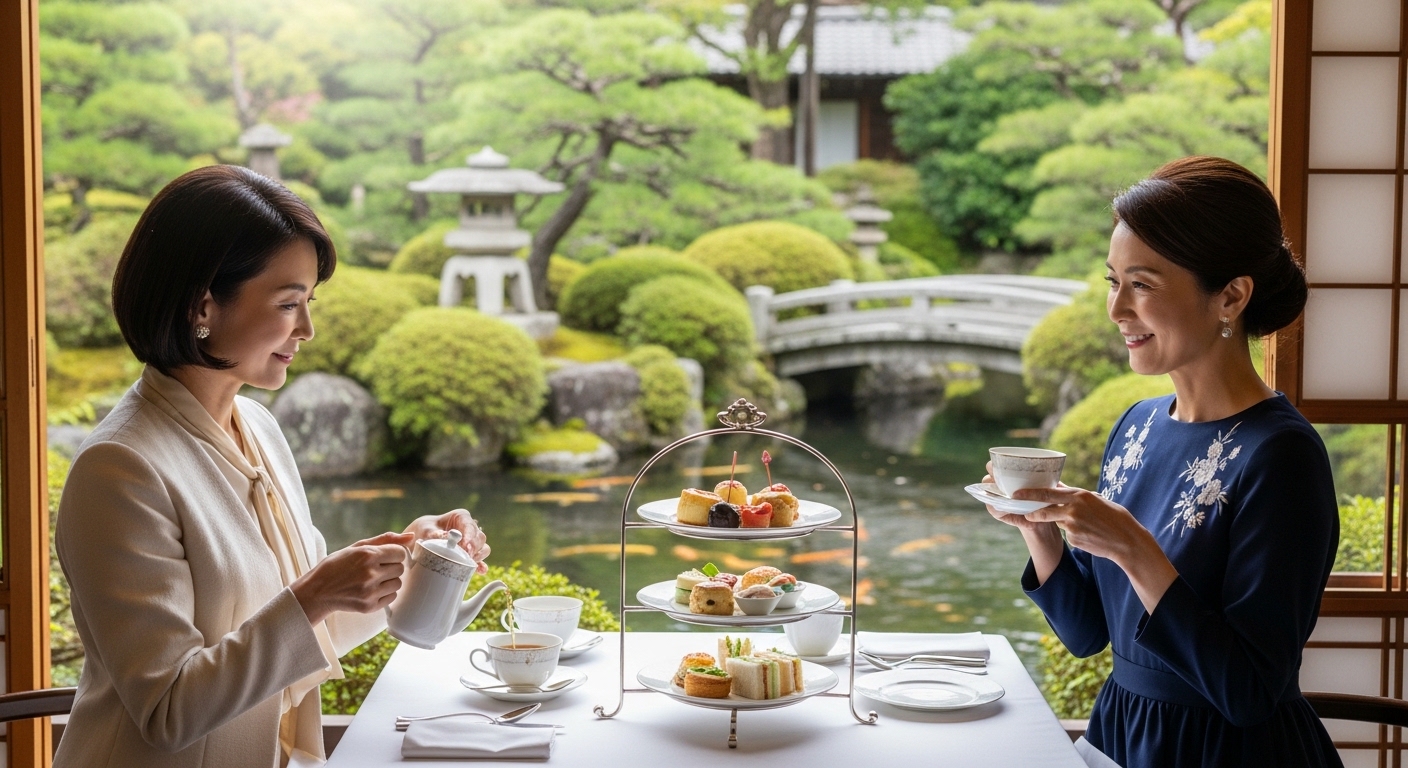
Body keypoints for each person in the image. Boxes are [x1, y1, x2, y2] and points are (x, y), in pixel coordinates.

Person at [53, 165, 492, 768]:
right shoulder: (121, 468)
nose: (307, 329)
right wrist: (313, 597)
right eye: (288, 304)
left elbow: (304, 633)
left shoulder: (257, 427)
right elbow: (166, 711)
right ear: (201, 303)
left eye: (309, 302)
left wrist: (405, 562)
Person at [985, 156, 1341, 767]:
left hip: (1226, 752)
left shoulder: (1281, 455)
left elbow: (1250, 692)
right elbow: (1089, 632)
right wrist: (1041, 531)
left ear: (1230, 296)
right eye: (1112, 282)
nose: (1117, 309)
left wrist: (1133, 547)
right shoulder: (1138, 427)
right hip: (1124, 734)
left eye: (1142, 284)